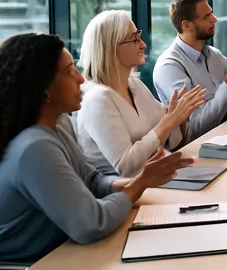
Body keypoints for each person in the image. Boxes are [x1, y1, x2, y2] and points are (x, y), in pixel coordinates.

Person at [0, 33, 192, 270]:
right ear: (43, 89)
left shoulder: (58, 124)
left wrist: (133, 182)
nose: (81, 78)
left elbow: (92, 179)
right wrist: (137, 186)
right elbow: (89, 224)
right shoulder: (34, 146)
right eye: (69, 71)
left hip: (49, 259)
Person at [77, 10, 207, 177]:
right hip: (125, 195)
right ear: (112, 47)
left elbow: (171, 141)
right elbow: (126, 166)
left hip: (157, 180)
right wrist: (169, 122)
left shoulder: (135, 85)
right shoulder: (97, 100)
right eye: (135, 39)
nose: (143, 44)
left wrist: (178, 118)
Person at [153, 0, 227, 141]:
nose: (214, 20)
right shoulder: (169, 67)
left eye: (212, 13)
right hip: (202, 148)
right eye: (206, 17)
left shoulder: (215, 55)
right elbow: (196, 127)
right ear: (186, 25)